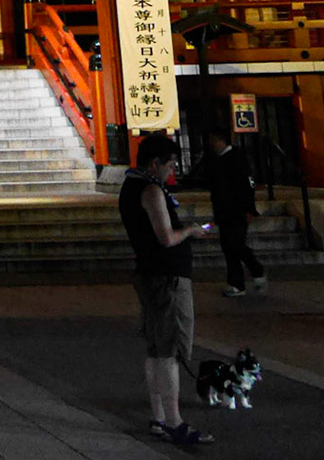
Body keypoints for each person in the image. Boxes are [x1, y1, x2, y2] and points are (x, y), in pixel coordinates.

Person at [120, 133, 214, 446]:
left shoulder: (130, 185)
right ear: (155, 162)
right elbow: (166, 237)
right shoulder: (149, 190)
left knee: (155, 346)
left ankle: (160, 417)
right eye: (170, 164)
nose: (171, 170)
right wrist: (190, 229)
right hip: (166, 277)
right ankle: (174, 421)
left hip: (149, 273)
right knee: (168, 350)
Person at [192, 127, 267, 297]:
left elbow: (247, 185)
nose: (211, 144)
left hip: (236, 210)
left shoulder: (235, 159)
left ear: (220, 141)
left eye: (213, 140)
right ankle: (237, 282)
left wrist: (248, 208)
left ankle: (252, 272)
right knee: (229, 246)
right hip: (225, 210)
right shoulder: (220, 159)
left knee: (235, 244)